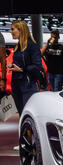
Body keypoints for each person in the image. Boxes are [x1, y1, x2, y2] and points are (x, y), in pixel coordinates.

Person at [8, 21, 43, 150]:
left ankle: (34, 143)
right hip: (17, 84)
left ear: (21, 30)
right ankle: (25, 142)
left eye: (13, 29)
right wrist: (12, 66)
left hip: (27, 85)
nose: (11, 32)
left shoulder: (32, 46)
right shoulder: (18, 46)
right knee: (22, 115)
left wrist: (22, 69)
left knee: (29, 115)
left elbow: (37, 67)